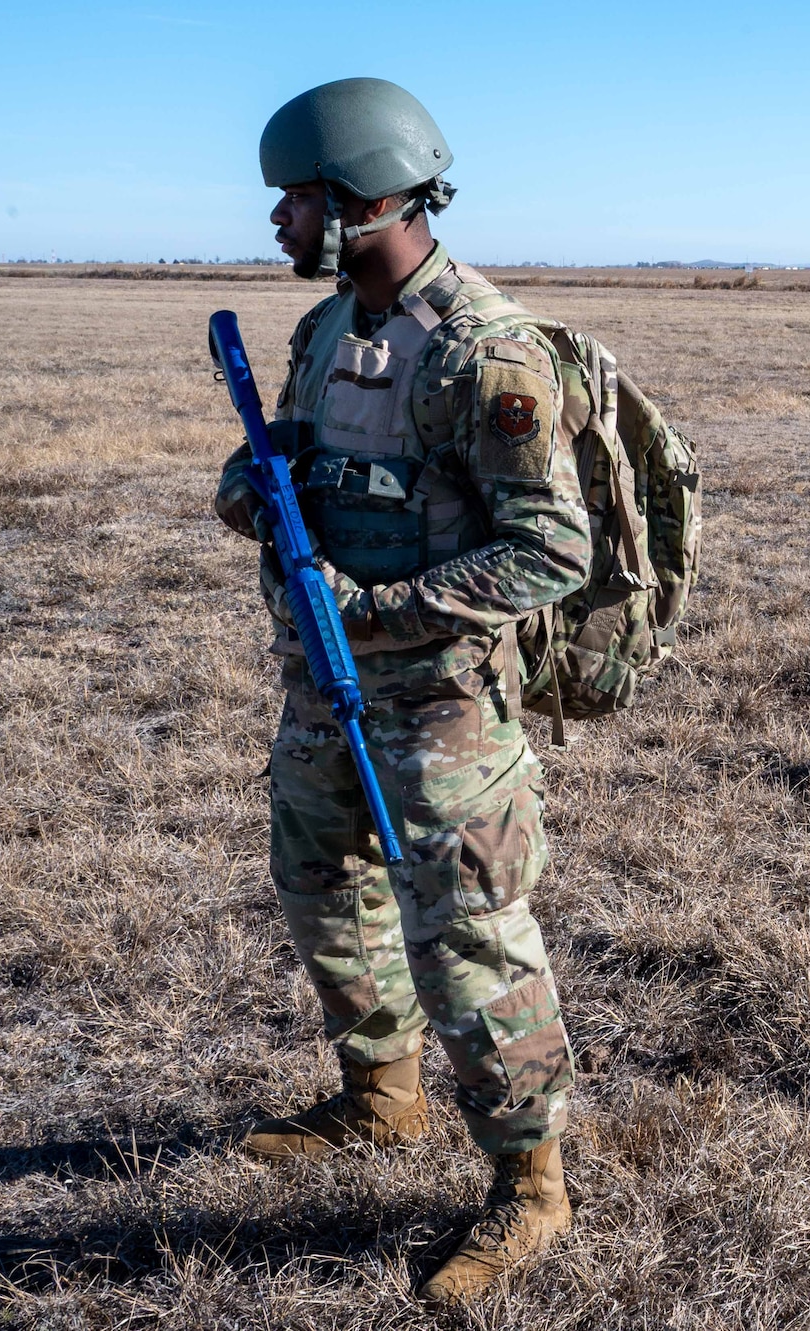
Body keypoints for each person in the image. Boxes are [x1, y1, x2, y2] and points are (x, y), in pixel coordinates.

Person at [212, 77, 594, 1306]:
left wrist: (382, 610)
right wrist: (255, 480)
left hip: (440, 705)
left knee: (471, 940)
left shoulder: (487, 354)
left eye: (297, 198)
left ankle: (530, 1185)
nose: (278, 220)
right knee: (319, 884)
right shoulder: (328, 329)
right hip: (323, 690)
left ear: (369, 196)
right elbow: (302, 454)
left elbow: (551, 548)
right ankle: (381, 1094)